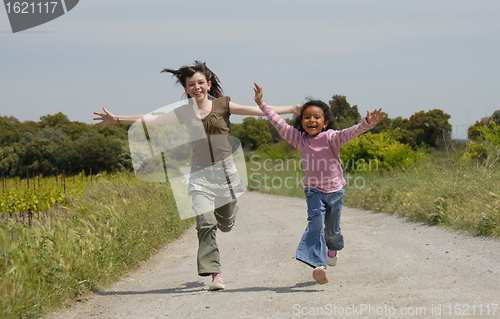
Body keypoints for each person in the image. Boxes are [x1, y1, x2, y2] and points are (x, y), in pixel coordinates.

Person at [93, 61, 301, 291]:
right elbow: (151, 118)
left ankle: (229, 216)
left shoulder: (224, 105)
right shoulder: (183, 112)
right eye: (191, 84)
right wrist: (117, 119)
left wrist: (292, 108)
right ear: (186, 89)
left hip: (226, 175)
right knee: (206, 223)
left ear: (209, 84)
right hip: (200, 176)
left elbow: (259, 110)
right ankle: (216, 273)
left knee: (225, 224)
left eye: (201, 82)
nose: (197, 87)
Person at [253, 83, 384, 284]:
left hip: (335, 191)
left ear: (325, 122)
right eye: (307, 117)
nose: (311, 120)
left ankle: (333, 248)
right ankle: (318, 265)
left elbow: (351, 132)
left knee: (332, 231)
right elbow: (278, 122)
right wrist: (262, 104)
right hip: (313, 191)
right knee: (315, 225)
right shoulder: (298, 139)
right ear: (301, 122)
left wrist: (366, 124)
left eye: (316, 117)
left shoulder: (331, 137)